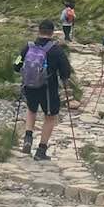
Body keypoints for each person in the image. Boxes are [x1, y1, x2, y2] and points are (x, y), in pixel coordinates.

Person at [14, 19, 73, 160]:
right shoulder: (56, 49)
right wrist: (64, 79)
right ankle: (41, 150)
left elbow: (16, 65)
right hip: (48, 89)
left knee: (31, 110)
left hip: (29, 86)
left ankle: (28, 137)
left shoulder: (28, 47)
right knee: (50, 117)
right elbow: (66, 71)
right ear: (52, 33)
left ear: (39, 31)